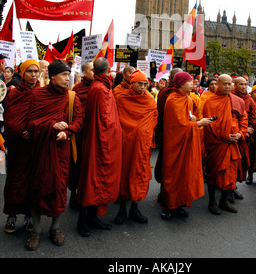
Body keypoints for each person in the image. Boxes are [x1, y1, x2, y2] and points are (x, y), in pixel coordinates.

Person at [25, 59, 83, 251]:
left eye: (68, 75)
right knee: (37, 187)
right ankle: (36, 230)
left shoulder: (72, 96)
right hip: (40, 149)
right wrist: (51, 125)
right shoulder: (37, 95)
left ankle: (55, 228)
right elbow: (31, 122)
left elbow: (78, 119)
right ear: (52, 76)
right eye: (64, 75)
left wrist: (67, 131)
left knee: (59, 187)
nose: (68, 78)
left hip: (61, 150)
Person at [76, 58, 122, 237]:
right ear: (109, 69)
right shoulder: (101, 89)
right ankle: (82, 221)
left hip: (99, 139)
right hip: (100, 142)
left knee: (95, 180)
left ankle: (93, 217)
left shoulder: (99, 86)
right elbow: (106, 121)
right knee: (92, 181)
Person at [160, 72, 212, 220]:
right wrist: (199, 124)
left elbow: (186, 117)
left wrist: (193, 118)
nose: (193, 84)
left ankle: (180, 204)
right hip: (175, 144)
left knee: (185, 174)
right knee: (173, 175)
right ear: (181, 84)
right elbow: (178, 126)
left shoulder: (187, 98)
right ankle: (168, 206)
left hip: (186, 141)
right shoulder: (173, 100)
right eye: (189, 82)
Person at [114, 69, 158, 224]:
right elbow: (116, 120)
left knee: (139, 174)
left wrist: (145, 133)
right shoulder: (121, 98)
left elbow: (154, 119)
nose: (143, 87)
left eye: (145, 84)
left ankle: (135, 208)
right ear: (131, 84)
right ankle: (122, 210)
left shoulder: (150, 100)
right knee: (124, 175)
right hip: (125, 145)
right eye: (140, 83)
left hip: (142, 146)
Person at [2, 60, 40, 234]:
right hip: (18, 146)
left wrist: (33, 130)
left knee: (33, 181)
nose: (33, 75)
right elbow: (10, 120)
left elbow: (48, 117)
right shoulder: (13, 94)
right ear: (22, 73)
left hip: (35, 145)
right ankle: (11, 216)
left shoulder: (43, 94)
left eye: (36, 72)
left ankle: (29, 215)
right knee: (14, 180)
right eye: (30, 71)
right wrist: (22, 130)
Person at [202, 74, 248, 214]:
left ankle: (224, 200)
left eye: (230, 84)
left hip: (233, 142)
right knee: (214, 172)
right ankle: (212, 202)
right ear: (218, 84)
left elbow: (243, 119)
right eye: (224, 84)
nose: (227, 86)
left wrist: (240, 133)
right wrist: (225, 137)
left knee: (230, 173)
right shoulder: (211, 102)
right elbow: (210, 124)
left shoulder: (237, 101)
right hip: (218, 143)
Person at [68, 61, 94, 209]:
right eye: (91, 70)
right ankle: (73, 194)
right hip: (80, 134)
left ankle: (88, 195)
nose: (94, 72)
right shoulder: (77, 89)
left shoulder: (100, 87)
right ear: (84, 73)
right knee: (77, 165)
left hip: (94, 133)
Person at [154, 68, 182, 196]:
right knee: (167, 164)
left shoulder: (184, 94)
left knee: (180, 165)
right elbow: (160, 114)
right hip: (167, 133)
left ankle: (177, 193)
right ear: (171, 78)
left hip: (181, 133)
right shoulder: (165, 93)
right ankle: (164, 192)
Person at [231, 77, 256, 197]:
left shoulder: (249, 100)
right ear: (235, 85)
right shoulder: (230, 97)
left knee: (241, 163)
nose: (243, 86)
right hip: (233, 134)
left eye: (245, 84)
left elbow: (252, 117)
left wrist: (248, 130)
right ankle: (228, 187)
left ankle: (233, 186)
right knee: (231, 163)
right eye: (240, 84)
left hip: (244, 136)